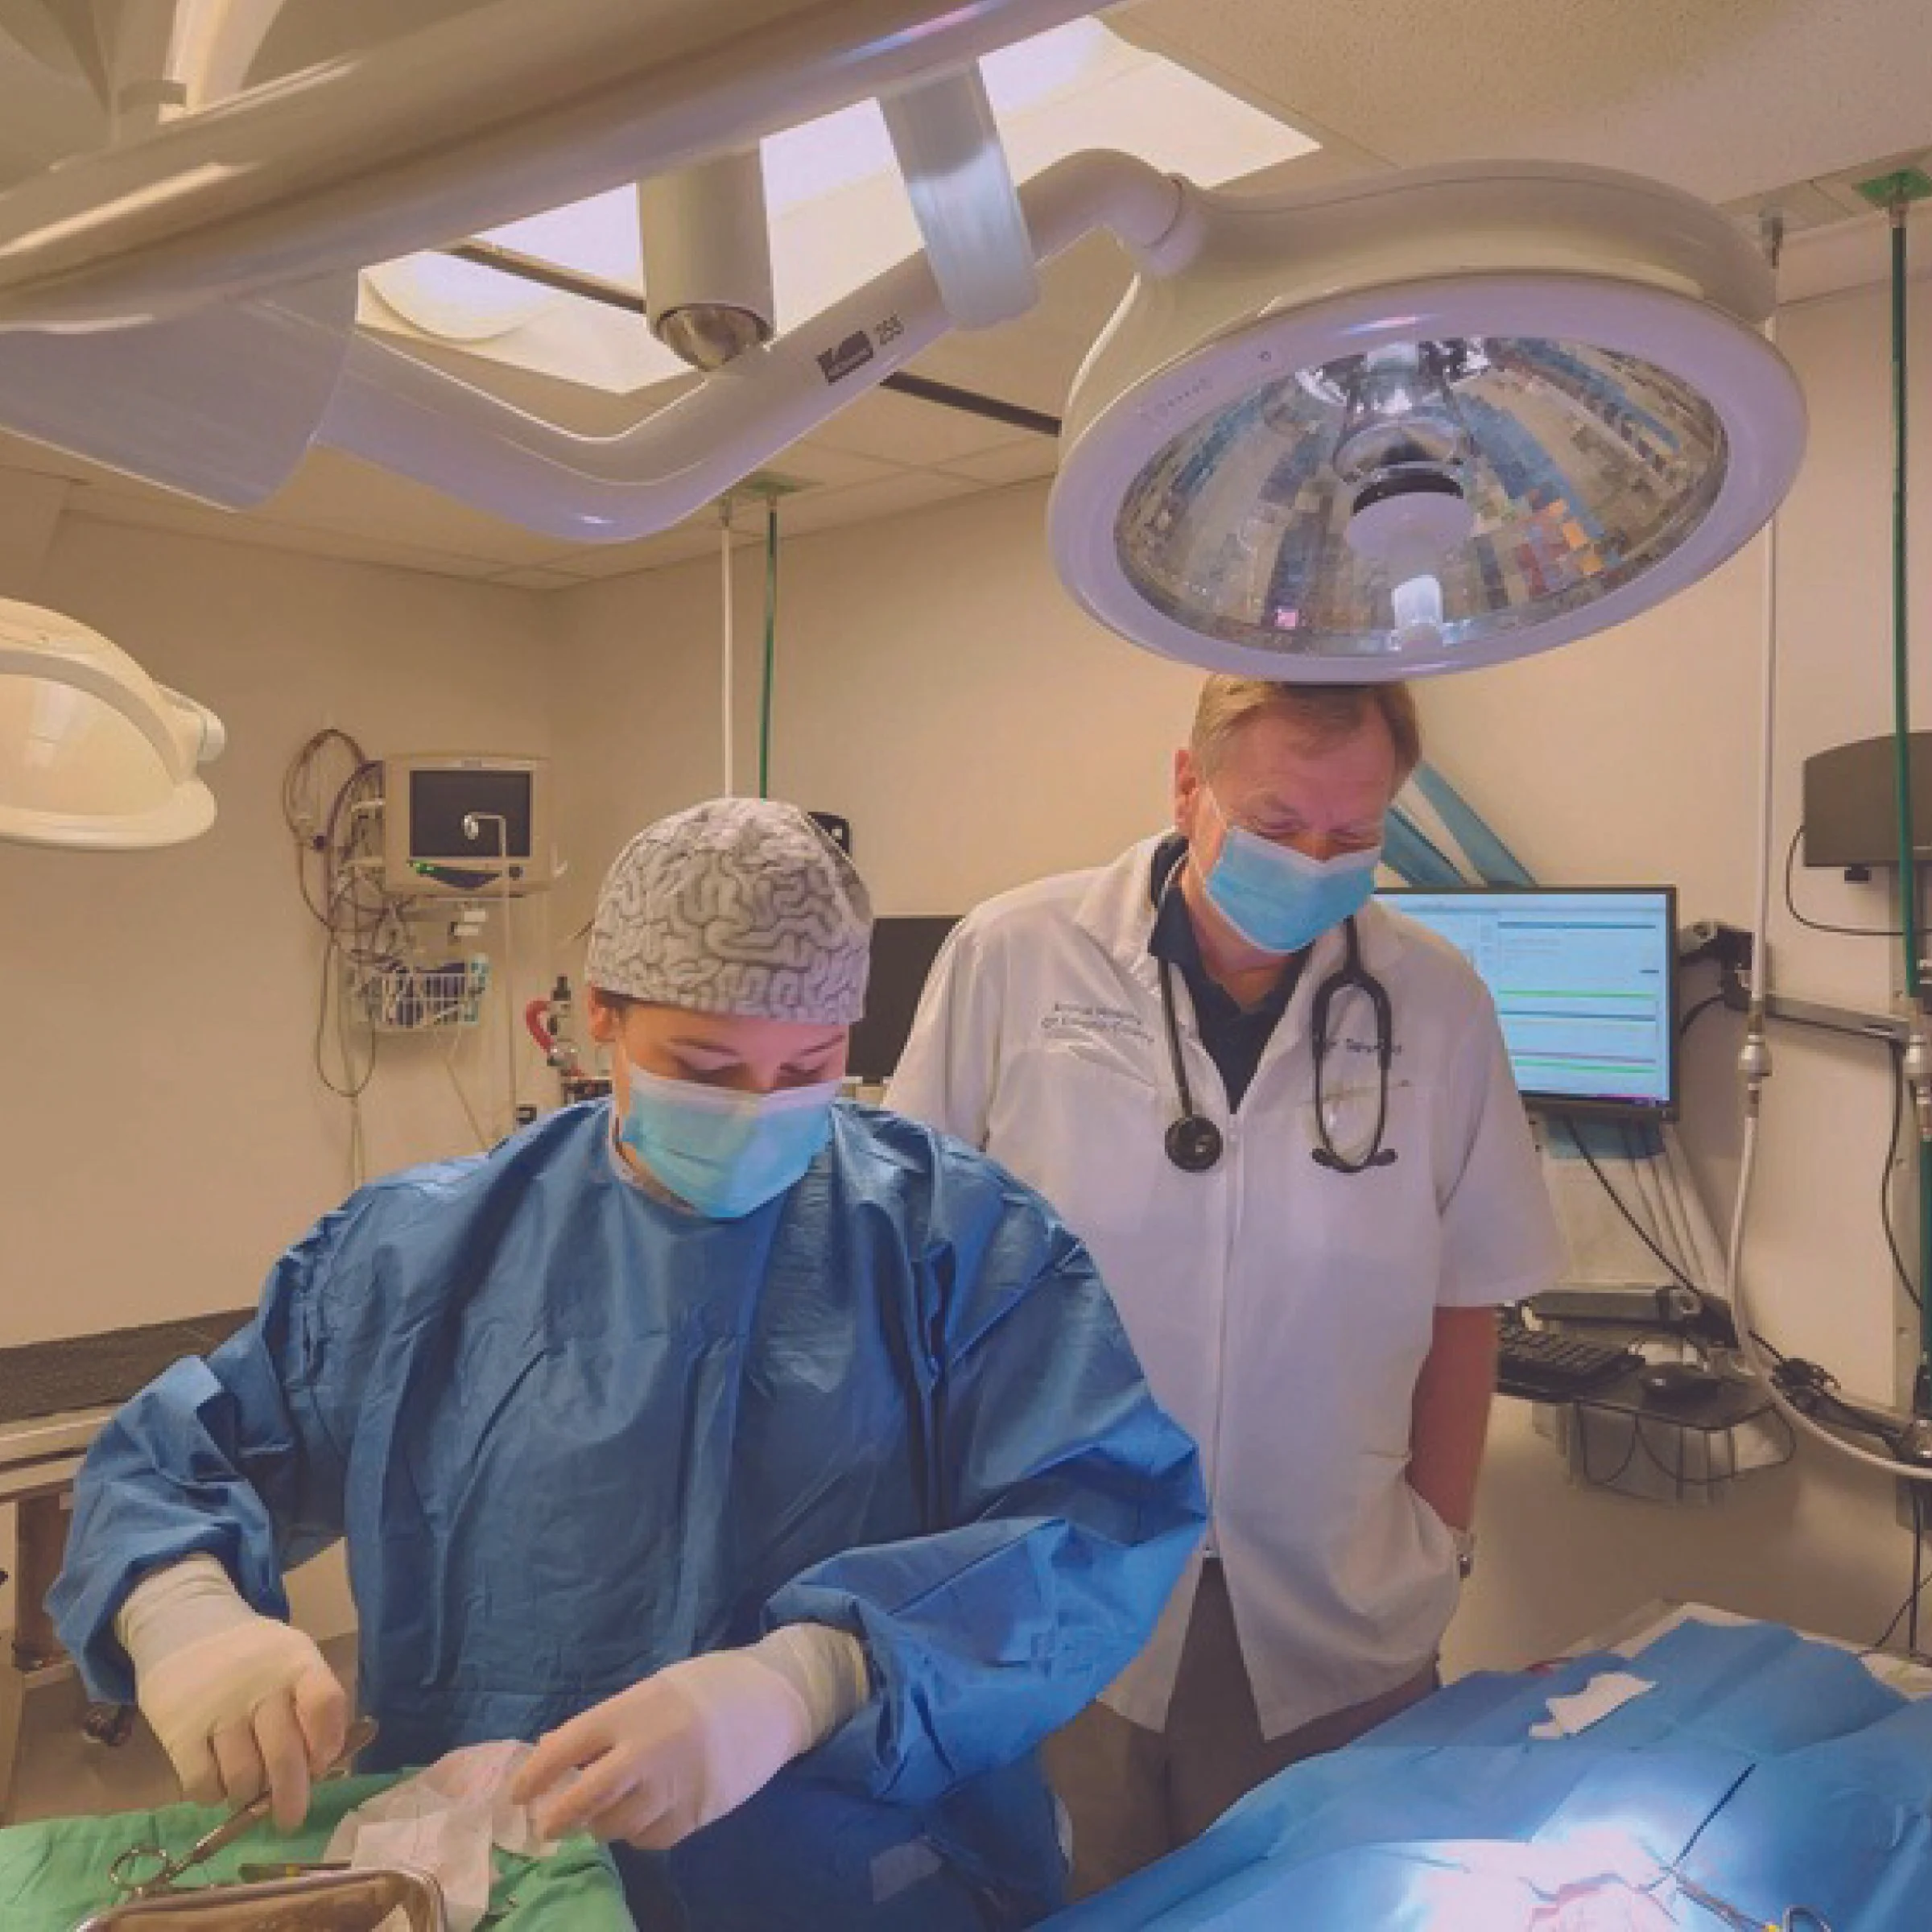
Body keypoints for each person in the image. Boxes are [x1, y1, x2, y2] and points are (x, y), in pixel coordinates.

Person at [51, 798, 1205, 1932]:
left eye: (809, 1065)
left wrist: (811, 1681)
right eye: (706, 1064)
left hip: (860, 1877)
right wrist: (187, 1613)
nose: (762, 1110)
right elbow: (182, 1458)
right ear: (597, 1015)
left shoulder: (955, 1240)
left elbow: (1093, 1523)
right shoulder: (420, 1252)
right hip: (512, 1876)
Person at [889, 675, 1563, 1896]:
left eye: (1354, 835)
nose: (1313, 861)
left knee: (1323, 1900)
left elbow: (1469, 1300)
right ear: (1188, 785)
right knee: (1062, 1892)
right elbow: (917, 1266)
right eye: (1278, 823)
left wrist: (1439, 1539)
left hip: (1337, 1586)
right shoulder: (1013, 954)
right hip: (1053, 1579)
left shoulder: (1438, 1001)